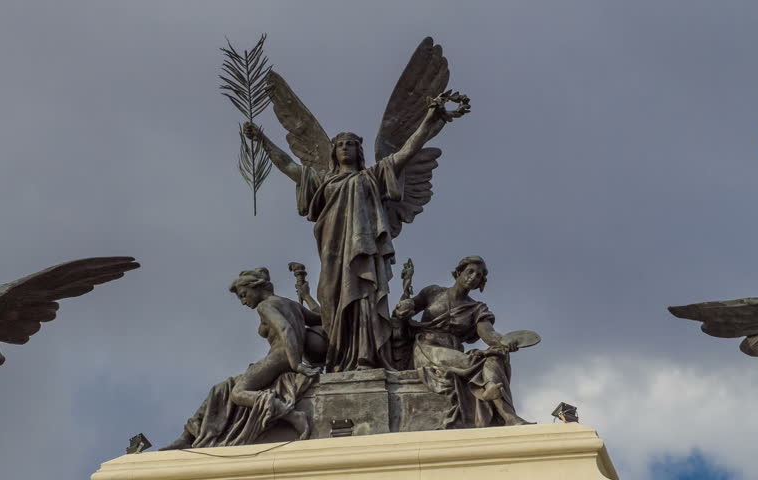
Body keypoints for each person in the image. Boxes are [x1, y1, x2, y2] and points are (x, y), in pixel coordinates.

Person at [243, 95, 464, 372]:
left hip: (366, 251)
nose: (345, 148)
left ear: (359, 151)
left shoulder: (373, 175)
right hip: (333, 254)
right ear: (333, 152)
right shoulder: (323, 180)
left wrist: (431, 119)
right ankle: (337, 360)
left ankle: (365, 358)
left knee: (365, 300)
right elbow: (289, 166)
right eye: (340, 145)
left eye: (351, 144)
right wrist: (263, 141)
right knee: (331, 300)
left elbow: (408, 151)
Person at [163, 268, 322, 449]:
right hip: (284, 358)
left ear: (256, 287)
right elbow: (321, 318)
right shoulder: (291, 304)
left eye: (244, 294)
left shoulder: (265, 306)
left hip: (280, 358)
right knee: (221, 389)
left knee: (238, 393)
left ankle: (291, 415)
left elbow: (285, 329)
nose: (243, 301)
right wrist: (307, 296)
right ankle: (189, 434)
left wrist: (296, 364)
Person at [393, 256, 531, 428]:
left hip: (452, 352)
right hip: (427, 349)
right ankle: (484, 392)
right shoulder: (433, 292)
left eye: (479, 276)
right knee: (474, 361)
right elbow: (409, 308)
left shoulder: (477, 308)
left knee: (493, 358)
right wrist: (404, 307)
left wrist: (504, 342)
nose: (473, 277)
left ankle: (508, 415)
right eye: (470, 272)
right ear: (459, 272)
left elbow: (489, 335)